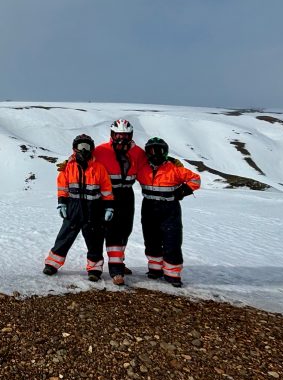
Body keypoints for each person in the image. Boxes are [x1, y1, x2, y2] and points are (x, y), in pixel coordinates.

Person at [44, 134, 115, 281]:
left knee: (94, 239)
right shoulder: (68, 167)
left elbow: (107, 190)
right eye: (81, 146)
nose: (84, 150)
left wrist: (109, 207)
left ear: (92, 149)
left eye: (87, 146)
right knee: (65, 236)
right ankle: (52, 264)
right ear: (74, 148)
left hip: (93, 209)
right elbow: (62, 186)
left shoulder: (99, 168)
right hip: (73, 207)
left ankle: (94, 268)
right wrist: (61, 203)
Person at [136, 137, 201, 287]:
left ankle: (172, 274)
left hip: (169, 209)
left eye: (159, 150)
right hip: (149, 207)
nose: (155, 154)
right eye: (151, 151)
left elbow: (195, 179)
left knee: (172, 240)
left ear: (165, 152)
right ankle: (155, 269)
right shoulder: (142, 169)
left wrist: (184, 190)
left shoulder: (173, 168)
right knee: (151, 239)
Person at [93, 119, 149, 286]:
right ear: (112, 134)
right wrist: (69, 163)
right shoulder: (101, 151)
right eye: (118, 135)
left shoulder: (138, 153)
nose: (121, 138)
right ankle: (115, 270)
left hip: (127, 194)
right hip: (107, 195)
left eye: (125, 135)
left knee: (126, 229)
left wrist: (171, 164)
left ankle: (119, 262)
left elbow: (150, 166)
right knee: (113, 231)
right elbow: (84, 161)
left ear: (130, 135)